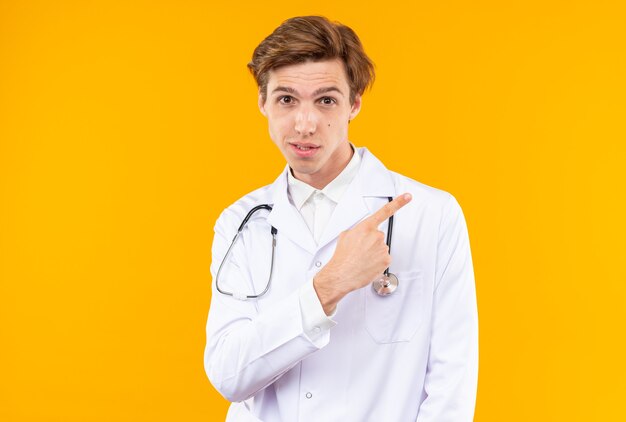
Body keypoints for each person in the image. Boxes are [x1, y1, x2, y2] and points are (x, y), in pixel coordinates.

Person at [204, 15, 478, 422]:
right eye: (286, 99)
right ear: (263, 102)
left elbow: (451, 386)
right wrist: (327, 286)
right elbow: (229, 374)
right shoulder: (242, 222)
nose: (305, 123)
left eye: (326, 100)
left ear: (355, 103)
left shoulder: (432, 215)